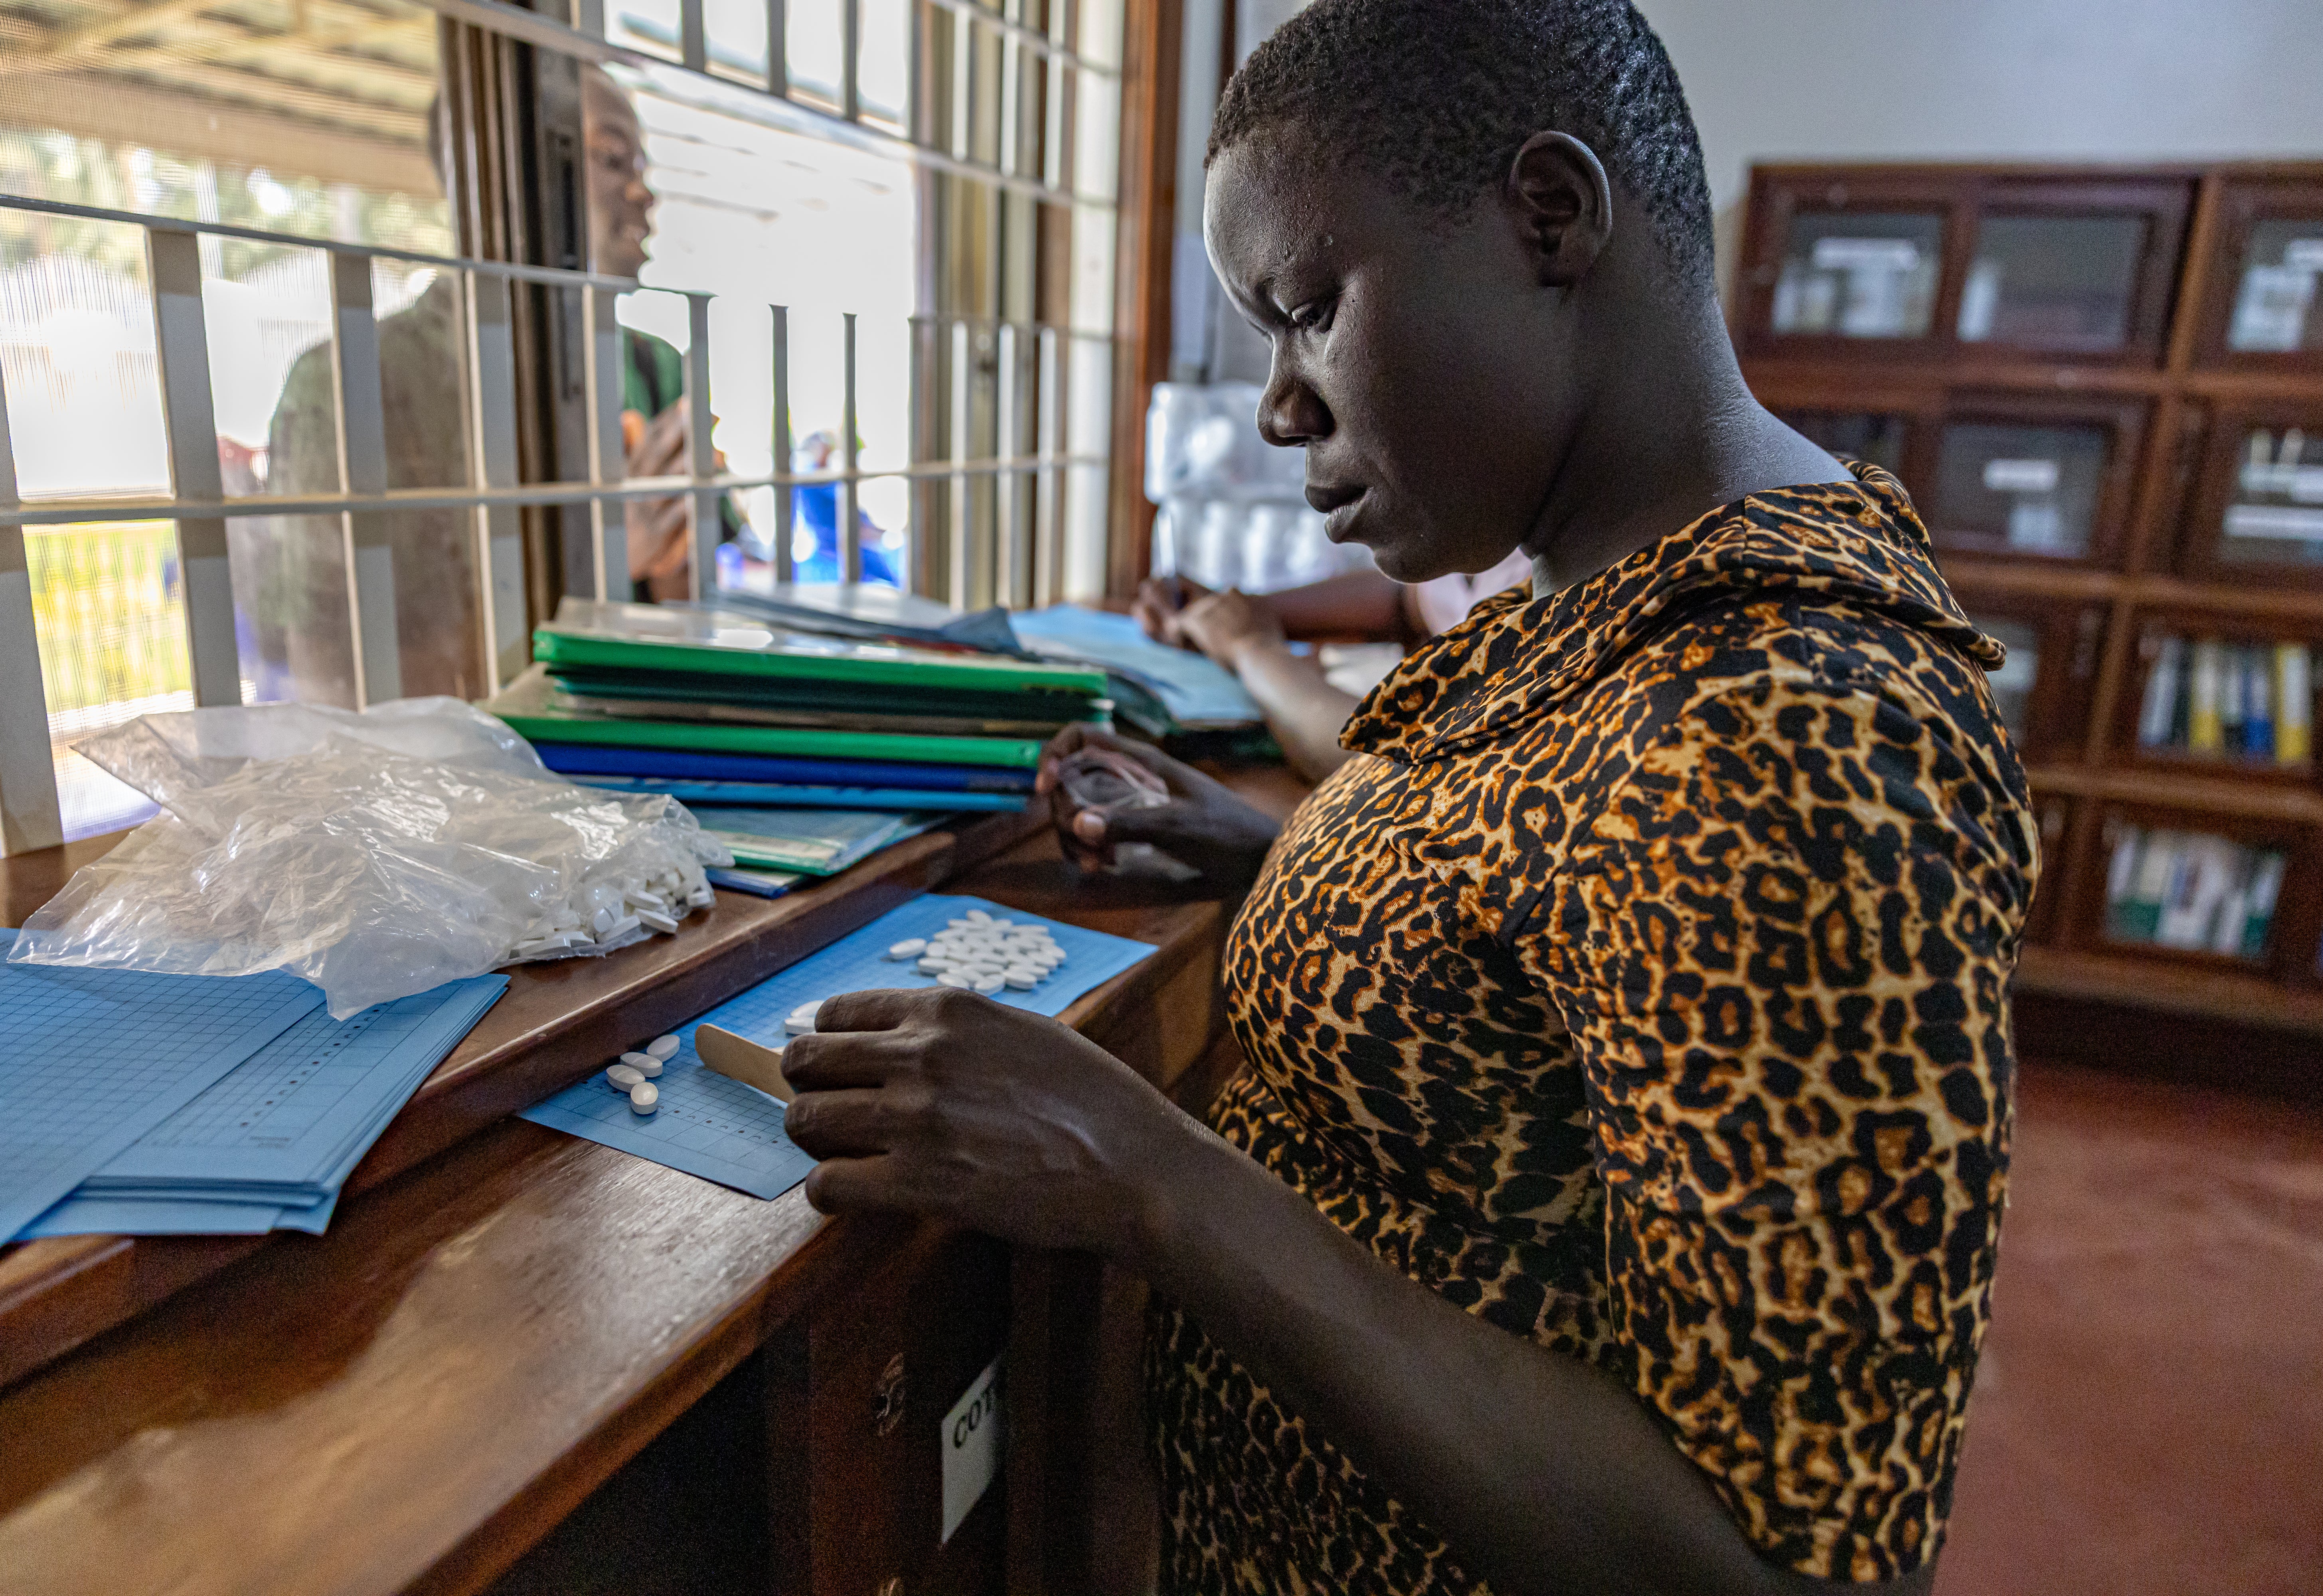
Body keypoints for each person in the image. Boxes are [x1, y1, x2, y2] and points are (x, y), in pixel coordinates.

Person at [771, 4, 2035, 1594]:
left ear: (1551, 220)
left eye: (1308, 309)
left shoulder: (1791, 735)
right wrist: (1286, 858)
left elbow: (1772, 1569)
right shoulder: (1621, 598)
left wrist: (1144, 1174)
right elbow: (1557, 925)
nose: (1282, 408)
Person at [245, 70, 736, 707]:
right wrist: (601, 560)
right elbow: (331, 674)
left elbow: (688, 617)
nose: (645, 194)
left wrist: (674, 545)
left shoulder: (655, 366)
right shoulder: (354, 383)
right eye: (614, 160)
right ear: (505, 175)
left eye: (642, 165)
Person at [1133, 550, 1533, 780]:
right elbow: (1409, 600)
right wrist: (1240, 613)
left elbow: (1386, 763)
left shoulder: (1548, 592)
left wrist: (1251, 647)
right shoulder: (1497, 538)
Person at [790, 429, 898, 585]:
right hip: (834, 540)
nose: (828, 452)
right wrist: (859, 532)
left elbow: (852, 510)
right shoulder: (811, 483)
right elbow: (823, 519)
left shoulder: (832, 479)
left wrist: (869, 527)